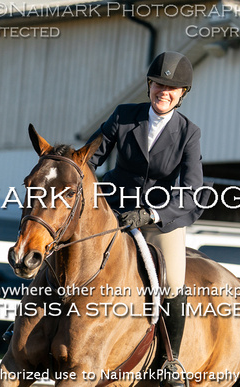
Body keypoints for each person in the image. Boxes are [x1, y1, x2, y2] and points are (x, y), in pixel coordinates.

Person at [87, 51, 209, 387]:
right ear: (149, 85)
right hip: (115, 203)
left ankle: (171, 360)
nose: (164, 91)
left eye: (172, 87)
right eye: (159, 84)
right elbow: (90, 158)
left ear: (182, 93)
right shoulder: (124, 117)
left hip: (161, 215)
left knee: (171, 283)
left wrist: (153, 212)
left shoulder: (189, 133)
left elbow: (192, 189)